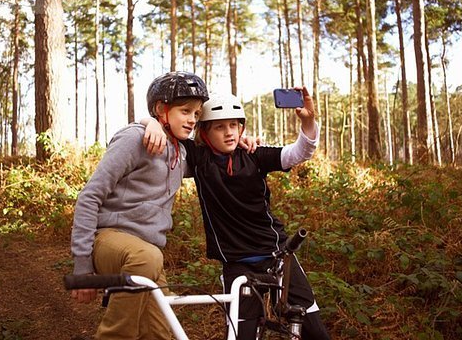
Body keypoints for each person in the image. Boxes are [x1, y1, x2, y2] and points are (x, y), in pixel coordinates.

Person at [143, 87, 331, 339]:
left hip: (277, 255)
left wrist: (308, 120)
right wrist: (150, 123)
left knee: (315, 331)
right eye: (220, 127)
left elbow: (299, 152)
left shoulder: (254, 155)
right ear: (205, 132)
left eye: (234, 125)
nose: (229, 132)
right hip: (236, 264)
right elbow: (166, 138)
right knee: (241, 334)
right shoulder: (198, 158)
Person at [69, 71, 209, 340]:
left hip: (147, 256)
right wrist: (82, 268)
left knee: (162, 333)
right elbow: (89, 197)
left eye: (197, 113)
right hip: (110, 240)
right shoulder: (135, 139)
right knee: (147, 256)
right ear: (161, 109)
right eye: (185, 111)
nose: (192, 119)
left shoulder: (181, 152)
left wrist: (244, 141)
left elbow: (216, 147)